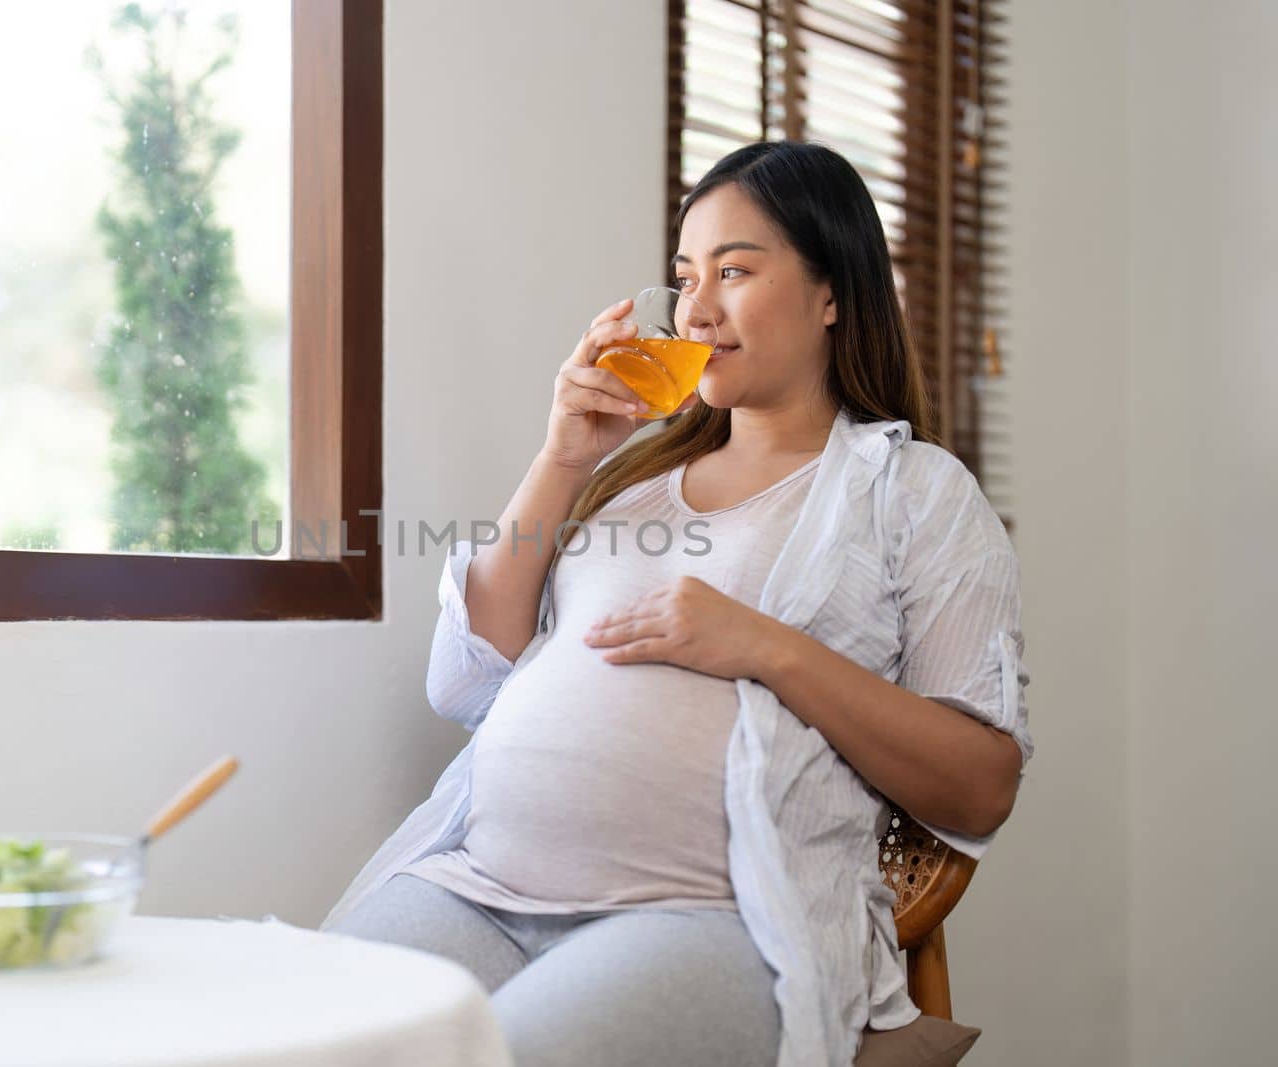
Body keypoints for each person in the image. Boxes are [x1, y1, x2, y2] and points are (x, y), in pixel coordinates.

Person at [319, 140, 1034, 1067]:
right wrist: (563, 458)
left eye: (734, 270)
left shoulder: (912, 491)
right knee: (313, 1039)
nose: (696, 308)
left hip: (705, 912)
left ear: (833, 295)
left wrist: (765, 646)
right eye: (685, 276)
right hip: (480, 883)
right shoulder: (629, 478)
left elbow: (982, 781)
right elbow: (463, 678)